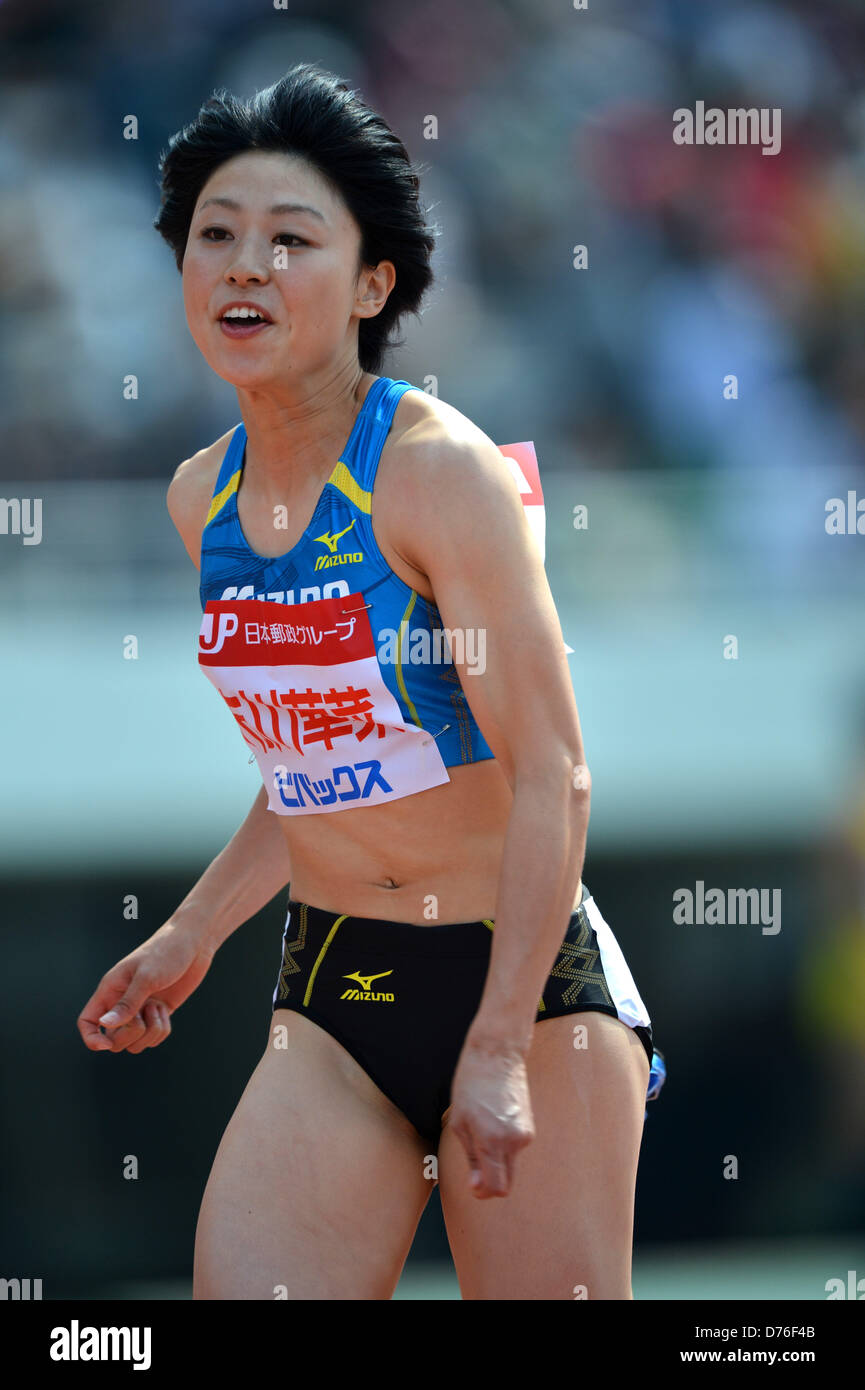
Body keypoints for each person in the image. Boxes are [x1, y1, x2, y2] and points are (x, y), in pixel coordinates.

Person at [77, 62, 660, 1301]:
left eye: (292, 240)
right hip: (335, 985)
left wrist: (499, 1043)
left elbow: (555, 769)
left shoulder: (440, 475)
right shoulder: (203, 500)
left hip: (525, 979)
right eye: (216, 236)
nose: (245, 265)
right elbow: (318, 768)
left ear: (372, 285)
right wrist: (192, 931)